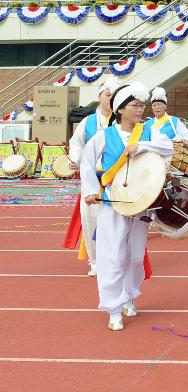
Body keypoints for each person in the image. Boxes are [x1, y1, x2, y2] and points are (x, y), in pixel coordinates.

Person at [80, 83, 174, 331]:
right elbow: (87, 163)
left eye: (142, 105)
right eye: (135, 105)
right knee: (113, 255)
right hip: (113, 202)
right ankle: (113, 308)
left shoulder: (149, 132)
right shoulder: (104, 135)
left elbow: (168, 147)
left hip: (141, 202)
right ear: (120, 109)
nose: (140, 109)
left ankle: (129, 295)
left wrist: (142, 146)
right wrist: (91, 190)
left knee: (134, 256)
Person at [65, 76, 120, 277]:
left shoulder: (121, 122)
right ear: (99, 96)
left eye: (114, 96)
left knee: (117, 221)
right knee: (91, 221)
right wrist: (75, 158)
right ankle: (95, 261)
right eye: (107, 95)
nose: (110, 99)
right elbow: (76, 144)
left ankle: (115, 258)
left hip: (116, 180)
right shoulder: (88, 122)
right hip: (92, 180)